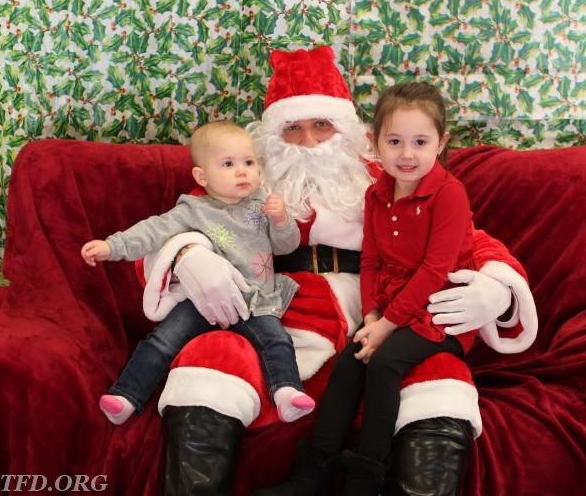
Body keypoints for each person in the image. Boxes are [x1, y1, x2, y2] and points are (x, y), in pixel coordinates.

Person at [154, 46, 538, 496]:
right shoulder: (243, 177)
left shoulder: (387, 176)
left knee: (440, 378)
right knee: (212, 358)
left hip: (386, 317)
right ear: (271, 136)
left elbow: (463, 241)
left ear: (352, 131)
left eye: (322, 125)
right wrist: (189, 255)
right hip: (282, 326)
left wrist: (498, 288)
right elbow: (183, 224)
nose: (311, 141)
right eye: (292, 129)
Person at [257, 81, 494, 496]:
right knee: (351, 361)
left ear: (441, 143)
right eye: (395, 141)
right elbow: (370, 260)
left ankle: (367, 476)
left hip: (441, 312)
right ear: (374, 143)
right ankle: (314, 471)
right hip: (393, 310)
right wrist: (370, 316)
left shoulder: (448, 194)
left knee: (383, 363)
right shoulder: (375, 194)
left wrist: (385, 328)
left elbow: (435, 270)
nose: (407, 154)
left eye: (420, 141)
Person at [80, 120, 316, 426]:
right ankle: (126, 395)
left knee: (276, 340)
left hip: (257, 300)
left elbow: (286, 247)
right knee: (162, 340)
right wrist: (112, 246)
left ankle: (286, 391)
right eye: (228, 164)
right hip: (203, 303)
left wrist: (283, 220)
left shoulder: (261, 206)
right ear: (202, 176)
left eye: (248, 162)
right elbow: (153, 231)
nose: (242, 171)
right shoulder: (193, 209)